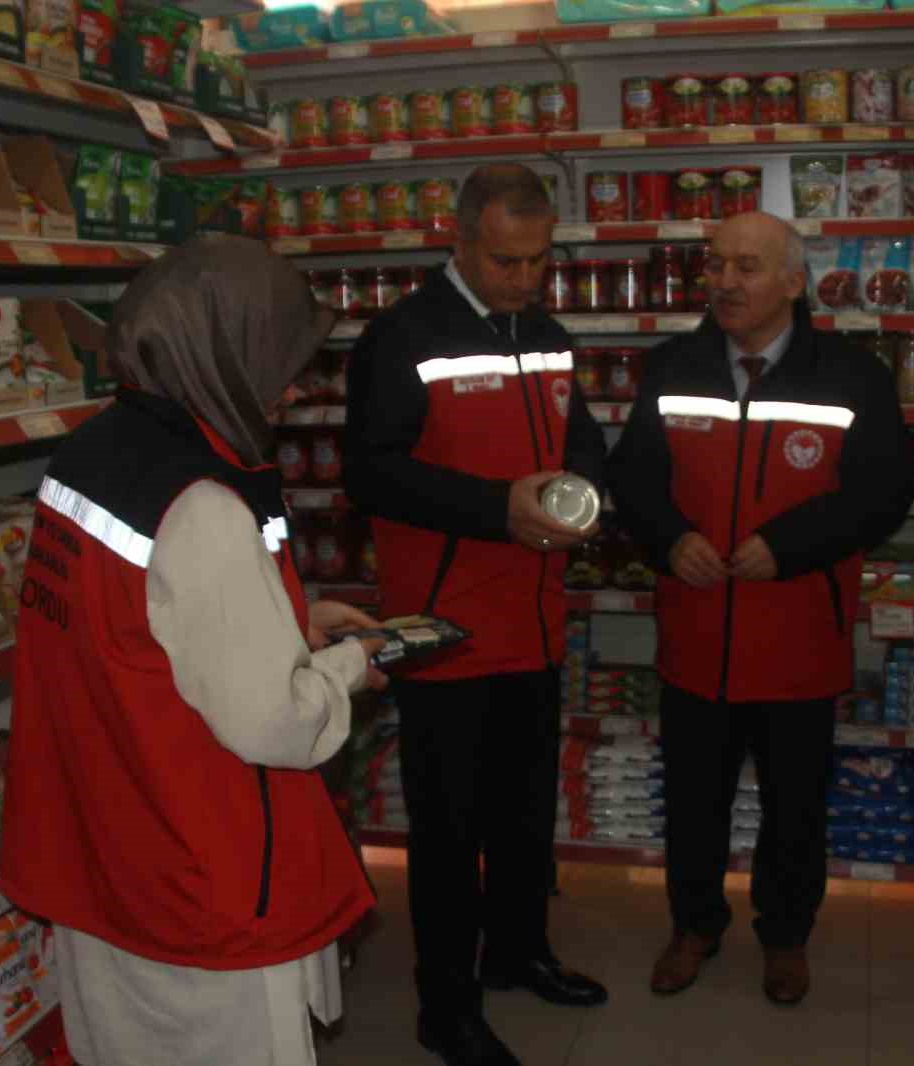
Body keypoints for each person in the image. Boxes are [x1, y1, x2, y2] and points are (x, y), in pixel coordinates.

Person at [0, 238, 385, 1066]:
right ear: (217, 352)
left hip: (105, 851)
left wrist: (284, 616)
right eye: (280, 361)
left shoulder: (89, 454)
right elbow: (277, 723)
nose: (293, 386)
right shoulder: (202, 498)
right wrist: (352, 667)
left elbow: (136, 626)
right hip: (199, 874)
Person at [606, 212, 914, 1007]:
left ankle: (785, 938)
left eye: (746, 266)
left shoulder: (851, 374)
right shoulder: (673, 364)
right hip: (695, 634)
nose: (725, 282)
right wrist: (671, 539)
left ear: (792, 280)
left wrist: (790, 544)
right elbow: (634, 479)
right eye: (715, 265)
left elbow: (886, 491)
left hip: (798, 639)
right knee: (694, 804)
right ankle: (695, 926)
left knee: (794, 808)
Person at [344, 163, 608, 1066]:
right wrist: (499, 507)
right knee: (449, 832)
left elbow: (583, 439)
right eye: (505, 261)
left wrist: (589, 491)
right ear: (456, 240)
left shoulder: (548, 331)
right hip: (443, 630)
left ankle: (519, 954)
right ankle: (444, 1006)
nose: (524, 280)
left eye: (538, 262)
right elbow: (371, 473)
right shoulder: (400, 336)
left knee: (525, 817)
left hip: (535, 623)